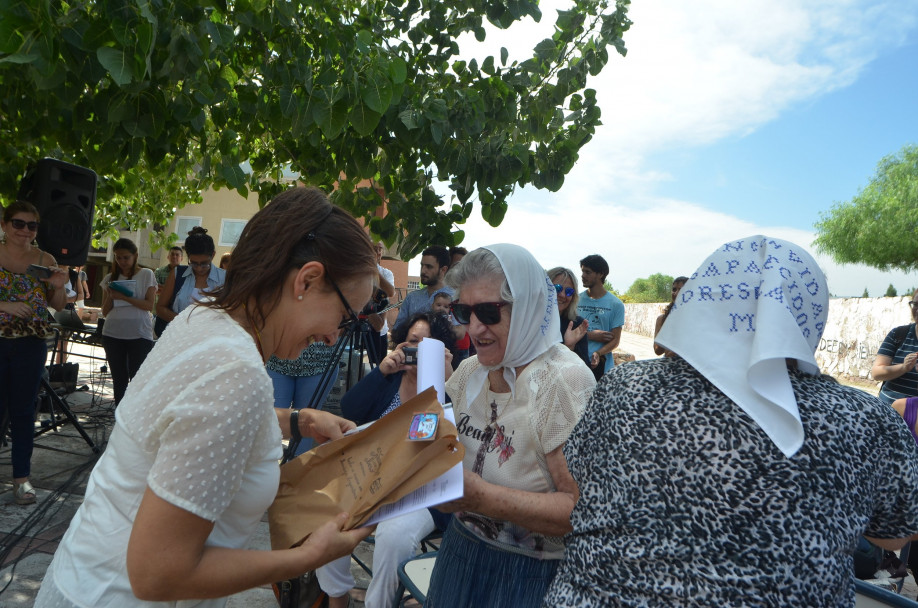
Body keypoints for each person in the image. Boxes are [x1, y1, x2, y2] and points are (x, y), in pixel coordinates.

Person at [36, 186, 377, 607]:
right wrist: (308, 557)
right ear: (306, 280)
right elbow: (157, 574)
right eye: (345, 317)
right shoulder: (237, 374)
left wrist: (298, 421)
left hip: (82, 579)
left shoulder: (205, 317)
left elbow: (185, 419)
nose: (334, 336)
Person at [544, 236, 918, 608]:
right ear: (811, 312)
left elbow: (580, 474)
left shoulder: (624, 386)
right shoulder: (865, 419)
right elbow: (893, 537)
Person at [423, 244, 596, 608]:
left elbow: (580, 510)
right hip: (458, 553)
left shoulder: (562, 381)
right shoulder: (472, 370)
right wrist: (416, 391)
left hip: (527, 576)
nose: (474, 327)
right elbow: (430, 438)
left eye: (488, 311)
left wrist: (483, 498)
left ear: (529, 308)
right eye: (464, 311)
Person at [321, 311, 456, 608]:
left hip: (423, 493)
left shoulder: (452, 388)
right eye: (412, 342)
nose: (417, 352)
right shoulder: (389, 380)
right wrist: (381, 372)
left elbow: (443, 446)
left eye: (427, 346)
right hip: (374, 483)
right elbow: (350, 409)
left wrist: (446, 381)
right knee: (329, 516)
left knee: (394, 536)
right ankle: (336, 599)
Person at [0, 200, 68, 505]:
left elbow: (58, 305)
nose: (25, 231)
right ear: (4, 225)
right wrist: (6, 306)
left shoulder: (45, 258)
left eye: (32, 225)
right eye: (18, 223)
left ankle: (22, 480)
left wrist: (58, 286)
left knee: (24, 411)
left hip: (31, 343)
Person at [100, 238, 157, 405]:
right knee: (119, 379)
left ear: (135, 256)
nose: (122, 261)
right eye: (118, 257)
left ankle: (136, 415)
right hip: (113, 333)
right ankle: (119, 417)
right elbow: (104, 311)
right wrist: (111, 296)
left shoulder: (146, 274)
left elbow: (148, 305)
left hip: (139, 333)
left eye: (126, 257)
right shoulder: (111, 277)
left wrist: (125, 297)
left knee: (137, 377)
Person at [266, 339, 342, 456]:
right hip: (278, 363)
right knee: (269, 423)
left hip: (320, 365)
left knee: (307, 426)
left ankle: (295, 469)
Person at [155, 227, 226, 331]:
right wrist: (185, 321)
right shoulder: (177, 273)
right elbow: (160, 308)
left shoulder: (225, 277)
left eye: (204, 263)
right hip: (180, 336)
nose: (199, 268)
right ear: (188, 257)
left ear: (213, 255)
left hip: (213, 337)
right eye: (193, 263)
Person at [577, 253, 624, 380]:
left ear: (601, 274)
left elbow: (615, 340)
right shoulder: (576, 300)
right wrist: (591, 335)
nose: (583, 276)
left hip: (601, 367)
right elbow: (566, 331)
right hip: (576, 363)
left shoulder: (616, 304)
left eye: (588, 272)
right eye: (582, 271)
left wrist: (599, 353)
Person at [871, 288, 918, 405]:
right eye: (915, 304)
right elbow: (876, 373)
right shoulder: (898, 334)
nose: (917, 309)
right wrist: (903, 367)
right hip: (888, 412)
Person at [392, 245, 453, 335]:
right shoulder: (411, 298)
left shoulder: (454, 298)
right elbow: (397, 330)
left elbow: (460, 333)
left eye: (429, 267)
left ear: (443, 270)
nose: (423, 271)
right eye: (422, 265)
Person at [547, 267, 589, 367]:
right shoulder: (529, 320)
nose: (562, 295)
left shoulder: (577, 324)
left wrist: (569, 347)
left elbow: (584, 369)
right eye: (557, 288)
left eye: (569, 291)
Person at [365, 241, 396, 365]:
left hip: (379, 331)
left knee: (378, 369)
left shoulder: (386, 273)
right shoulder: (358, 271)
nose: (378, 253)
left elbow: (390, 292)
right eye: (374, 249)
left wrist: (373, 270)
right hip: (358, 329)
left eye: (380, 249)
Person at [653, 275, 688, 357]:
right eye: (674, 289)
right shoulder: (662, 319)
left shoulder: (696, 318)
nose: (676, 293)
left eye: (682, 289)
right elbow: (657, 350)